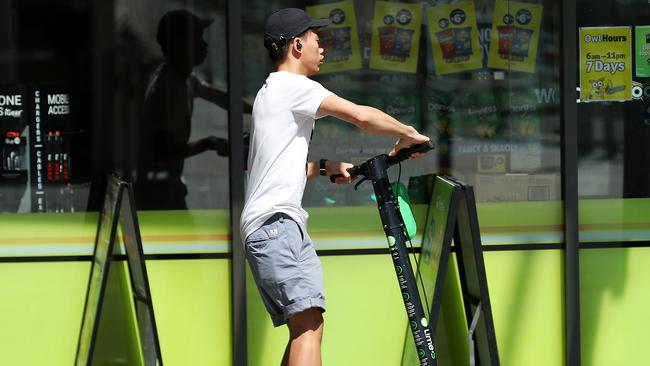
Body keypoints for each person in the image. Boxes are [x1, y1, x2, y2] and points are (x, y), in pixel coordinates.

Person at [240, 8, 430, 366]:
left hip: (276, 225)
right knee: (308, 326)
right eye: (316, 39)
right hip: (276, 226)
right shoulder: (293, 87)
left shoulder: (271, 92)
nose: (323, 46)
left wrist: (325, 167)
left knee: (307, 327)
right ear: (297, 45)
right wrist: (408, 133)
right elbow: (360, 116)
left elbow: (273, 163)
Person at [136, 9, 251, 210]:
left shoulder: (185, 78)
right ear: (180, 44)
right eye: (198, 38)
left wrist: (258, 108)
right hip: (158, 194)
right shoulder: (166, 89)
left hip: (169, 188)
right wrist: (210, 143)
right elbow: (164, 150)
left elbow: (217, 95)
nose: (204, 44)